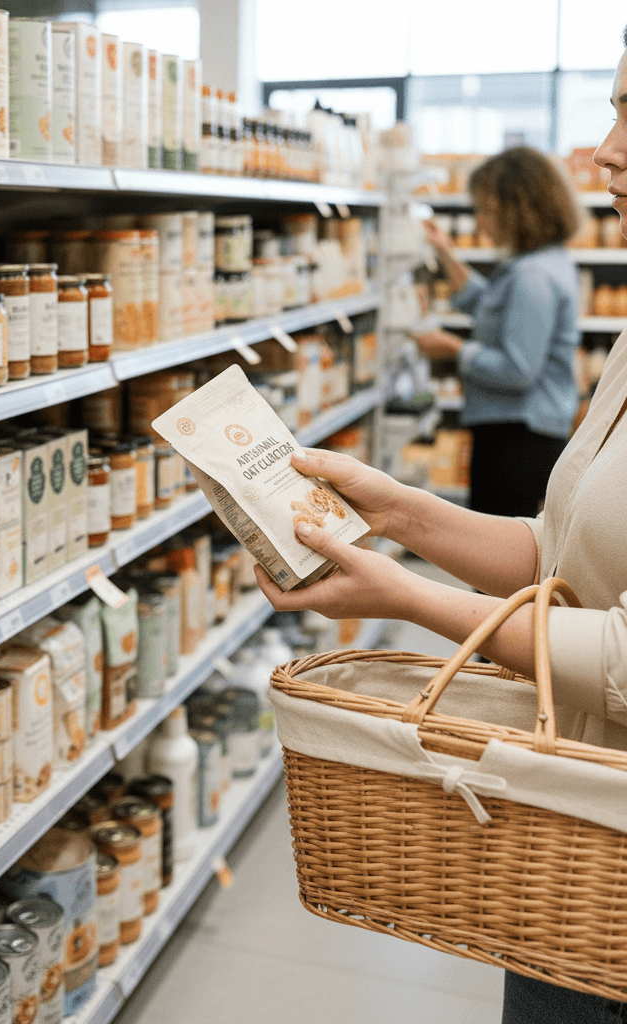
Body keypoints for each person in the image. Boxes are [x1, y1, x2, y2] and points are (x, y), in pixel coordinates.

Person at [255, 32, 627, 1024]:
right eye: (614, 105)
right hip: (573, 816)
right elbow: (562, 548)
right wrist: (398, 510)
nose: (602, 150)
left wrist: (405, 598)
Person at [417, 147, 582, 517]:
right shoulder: (540, 262)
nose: (481, 221)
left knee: (500, 562)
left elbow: (518, 370)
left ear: (517, 209)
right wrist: (446, 253)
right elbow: (491, 306)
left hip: (519, 437)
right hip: (523, 430)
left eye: (486, 210)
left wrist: (454, 349)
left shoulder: (532, 276)